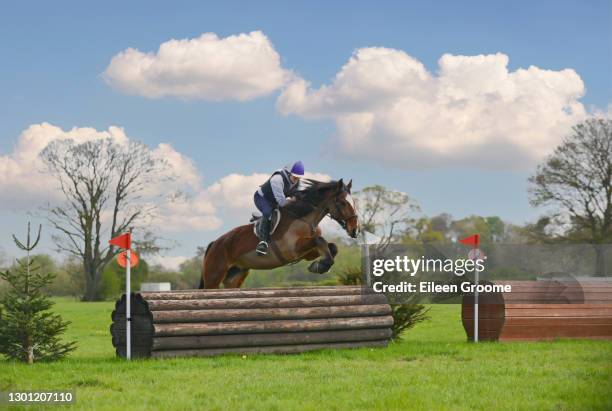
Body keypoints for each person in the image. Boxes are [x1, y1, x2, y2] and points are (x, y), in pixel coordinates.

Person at [253, 161, 304, 255]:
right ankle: (263, 242)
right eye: (295, 177)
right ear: (288, 173)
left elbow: (297, 195)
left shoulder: (297, 180)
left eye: (298, 178)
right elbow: (281, 202)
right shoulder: (277, 179)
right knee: (268, 212)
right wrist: (292, 201)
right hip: (262, 199)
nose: (296, 180)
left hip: (276, 200)